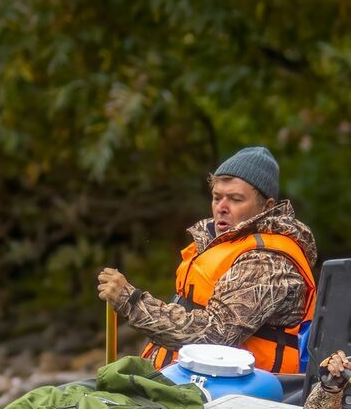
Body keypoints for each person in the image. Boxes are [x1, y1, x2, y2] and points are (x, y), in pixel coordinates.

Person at [95, 146, 318, 374]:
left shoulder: (267, 261)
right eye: (217, 197)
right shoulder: (218, 243)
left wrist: (131, 302)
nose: (221, 207)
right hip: (184, 381)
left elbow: (215, 336)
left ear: (267, 206)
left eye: (235, 199)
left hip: (239, 394)